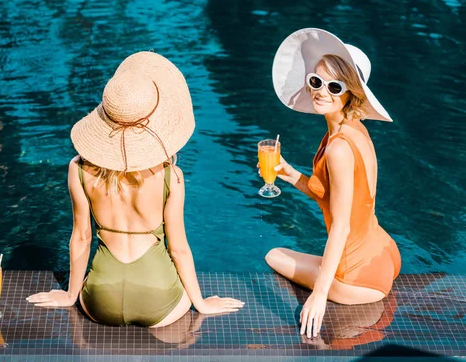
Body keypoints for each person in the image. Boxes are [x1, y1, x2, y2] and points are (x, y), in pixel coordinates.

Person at [27, 51, 244, 327]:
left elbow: (81, 237)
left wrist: (71, 295)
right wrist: (200, 303)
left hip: (99, 301)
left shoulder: (79, 169)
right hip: (158, 299)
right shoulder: (171, 176)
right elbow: (179, 249)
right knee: (183, 300)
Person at [264, 28, 401, 339]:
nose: (320, 92)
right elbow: (340, 198)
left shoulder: (337, 148)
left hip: (357, 277)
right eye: (316, 81)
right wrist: (290, 174)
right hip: (385, 252)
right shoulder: (353, 130)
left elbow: (340, 226)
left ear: (351, 93)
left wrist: (320, 295)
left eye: (334, 86)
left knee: (274, 255)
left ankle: (329, 285)